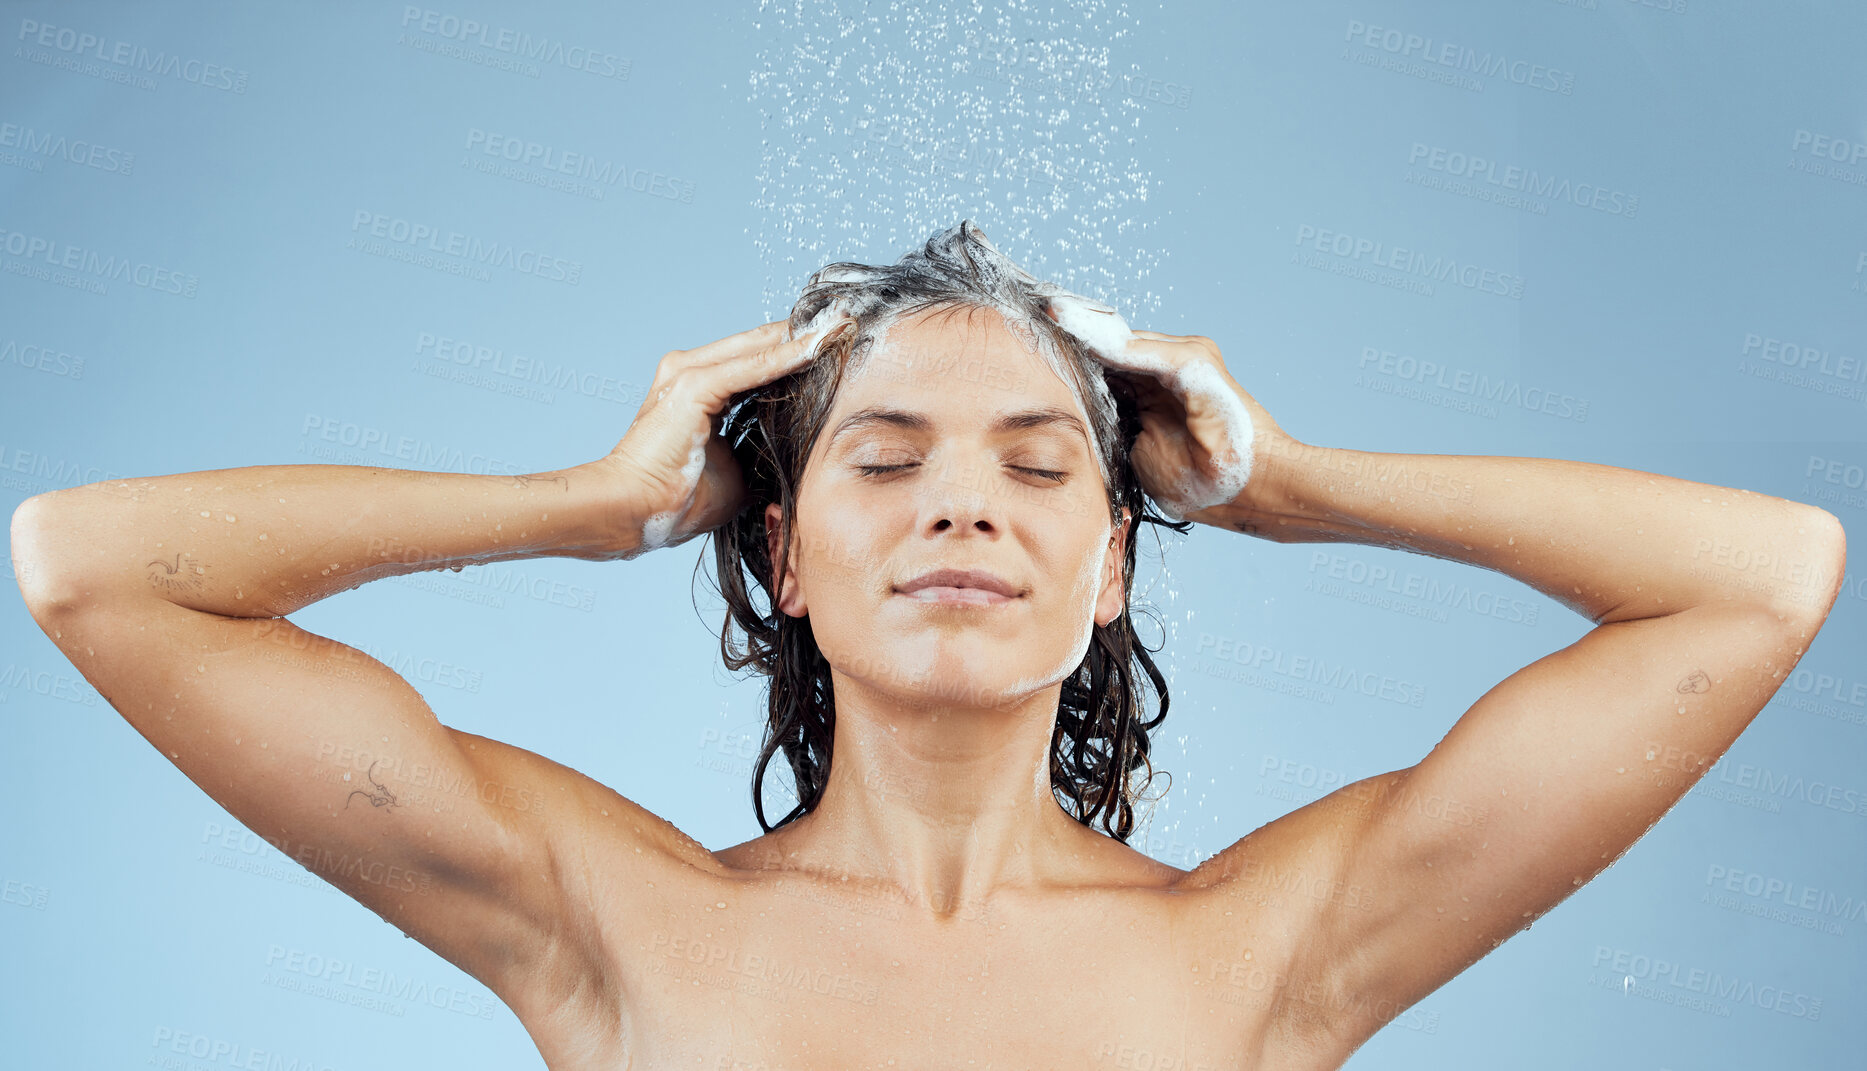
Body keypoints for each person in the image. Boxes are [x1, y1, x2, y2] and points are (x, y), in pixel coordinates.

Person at [10, 220, 1845, 1070]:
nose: (963, 507)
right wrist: (578, 502)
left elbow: (1767, 578)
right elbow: (89, 568)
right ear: (786, 552)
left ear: (1114, 564)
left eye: (1040, 467)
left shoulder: (1269, 952)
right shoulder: (613, 922)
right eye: (885, 462)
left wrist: (1293, 480)